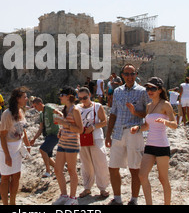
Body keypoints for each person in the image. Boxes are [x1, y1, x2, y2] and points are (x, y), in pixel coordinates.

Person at [105, 64, 149, 205]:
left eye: (133, 73)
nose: (130, 76)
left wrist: (136, 112)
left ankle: (134, 199)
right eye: (127, 74)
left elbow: (148, 113)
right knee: (113, 167)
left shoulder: (143, 92)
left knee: (134, 168)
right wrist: (108, 134)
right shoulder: (117, 91)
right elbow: (113, 113)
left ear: (136, 74)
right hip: (118, 132)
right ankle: (117, 198)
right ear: (122, 75)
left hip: (134, 132)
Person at [130, 77, 177, 205]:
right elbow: (147, 125)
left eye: (153, 88)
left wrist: (165, 122)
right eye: (148, 88)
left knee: (163, 179)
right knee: (142, 175)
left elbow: (175, 124)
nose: (149, 91)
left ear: (160, 90)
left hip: (162, 145)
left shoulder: (165, 104)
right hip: (150, 145)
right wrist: (138, 128)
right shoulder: (149, 106)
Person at [0, 86, 31, 205]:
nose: (27, 99)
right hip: (6, 148)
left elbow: (23, 129)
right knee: (5, 177)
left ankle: (13, 202)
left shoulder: (21, 111)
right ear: (17, 99)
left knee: (16, 175)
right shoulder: (7, 114)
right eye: (24, 97)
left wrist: (28, 145)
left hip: (17, 147)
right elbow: (2, 135)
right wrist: (7, 155)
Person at [52, 86, 84, 206]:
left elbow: (80, 129)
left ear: (68, 97)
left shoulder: (75, 110)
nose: (60, 97)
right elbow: (67, 124)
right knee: (57, 169)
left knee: (71, 170)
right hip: (63, 142)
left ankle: (73, 197)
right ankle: (64, 195)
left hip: (72, 143)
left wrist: (64, 123)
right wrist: (62, 127)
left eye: (62, 95)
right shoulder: (65, 109)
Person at [76, 87, 110, 199]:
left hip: (96, 137)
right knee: (86, 163)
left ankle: (103, 188)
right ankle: (87, 187)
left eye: (85, 97)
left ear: (89, 95)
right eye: (80, 98)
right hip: (83, 138)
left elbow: (104, 121)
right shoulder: (77, 108)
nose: (83, 100)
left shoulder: (97, 106)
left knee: (100, 161)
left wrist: (93, 127)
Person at [30, 97, 60, 178]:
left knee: (42, 149)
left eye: (35, 106)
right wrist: (34, 138)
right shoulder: (41, 114)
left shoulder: (48, 108)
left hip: (54, 134)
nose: (35, 108)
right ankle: (59, 170)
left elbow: (58, 112)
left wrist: (64, 123)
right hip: (48, 135)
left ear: (40, 104)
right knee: (47, 156)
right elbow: (41, 128)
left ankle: (48, 171)